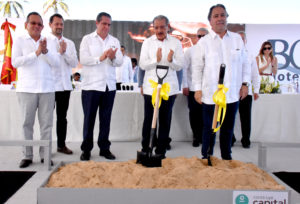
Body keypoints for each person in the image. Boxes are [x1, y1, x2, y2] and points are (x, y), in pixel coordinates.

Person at [192, 4, 251, 160]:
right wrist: (197, 89)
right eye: (216, 16)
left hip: (231, 94)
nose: (220, 18)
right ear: (210, 21)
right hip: (210, 94)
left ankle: (226, 158)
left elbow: (246, 63)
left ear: (227, 18)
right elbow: (197, 68)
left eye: (222, 15)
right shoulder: (203, 42)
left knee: (227, 129)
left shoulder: (237, 39)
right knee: (209, 129)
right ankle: (207, 157)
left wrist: (245, 84)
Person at [12, 12, 59, 168]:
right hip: (26, 88)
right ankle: (27, 155)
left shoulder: (50, 42)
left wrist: (45, 51)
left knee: (47, 125)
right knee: (27, 123)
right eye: (33, 23)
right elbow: (15, 62)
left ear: (43, 27)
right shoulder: (19, 41)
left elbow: (56, 63)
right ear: (26, 25)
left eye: (39, 24)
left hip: (47, 88)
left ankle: (45, 155)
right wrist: (36, 53)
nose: (36, 26)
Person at [79, 12, 123, 161]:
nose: (106, 27)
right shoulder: (87, 39)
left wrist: (112, 57)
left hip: (109, 87)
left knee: (106, 119)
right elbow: (84, 59)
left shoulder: (115, 41)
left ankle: (104, 148)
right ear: (96, 23)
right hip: (91, 87)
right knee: (89, 120)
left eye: (109, 24)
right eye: (104, 23)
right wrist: (101, 58)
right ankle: (86, 150)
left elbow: (119, 62)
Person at [139, 15, 184, 159]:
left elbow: (180, 66)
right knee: (149, 119)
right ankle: (146, 148)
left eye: (162, 27)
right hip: (150, 88)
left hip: (169, 88)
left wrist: (171, 60)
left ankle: (161, 151)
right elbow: (142, 64)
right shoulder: (147, 43)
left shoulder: (176, 43)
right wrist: (155, 60)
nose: (159, 30)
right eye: (156, 27)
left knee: (165, 120)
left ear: (168, 27)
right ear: (153, 28)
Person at [48, 13, 78, 155]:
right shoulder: (44, 41)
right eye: (56, 24)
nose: (59, 27)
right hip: (49, 86)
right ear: (50, 25)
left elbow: (73, 63)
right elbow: (47, 61)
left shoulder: (69, 43)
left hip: (65, 86)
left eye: (61, 24)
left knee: (62, 118)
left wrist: (64, 52)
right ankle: (46, 148)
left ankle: (61, 145)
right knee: (46, 118)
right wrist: (59, 52)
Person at [182, 27, 208, 147]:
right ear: (196, 37)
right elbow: (184, 69)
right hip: (193, 88)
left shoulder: (212, 51)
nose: (201, 38)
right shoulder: (190, 51)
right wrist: (185, 85)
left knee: (206, 114)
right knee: (194, 114)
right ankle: (196, 136)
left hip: (208, 89)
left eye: (204, 36)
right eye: (199, 36)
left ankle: (204, 136)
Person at [233, 31, 260, 148]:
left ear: (245, 41)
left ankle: (246, 140)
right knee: (229, 118)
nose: (240, 40)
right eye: (238, 38)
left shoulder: (250, 56)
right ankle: (231, 139)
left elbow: (255, 74)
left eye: (242, 38)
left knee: (245, 118)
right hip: (231, 93)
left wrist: (256, 90)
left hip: (246, 92)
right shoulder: (231, 55)